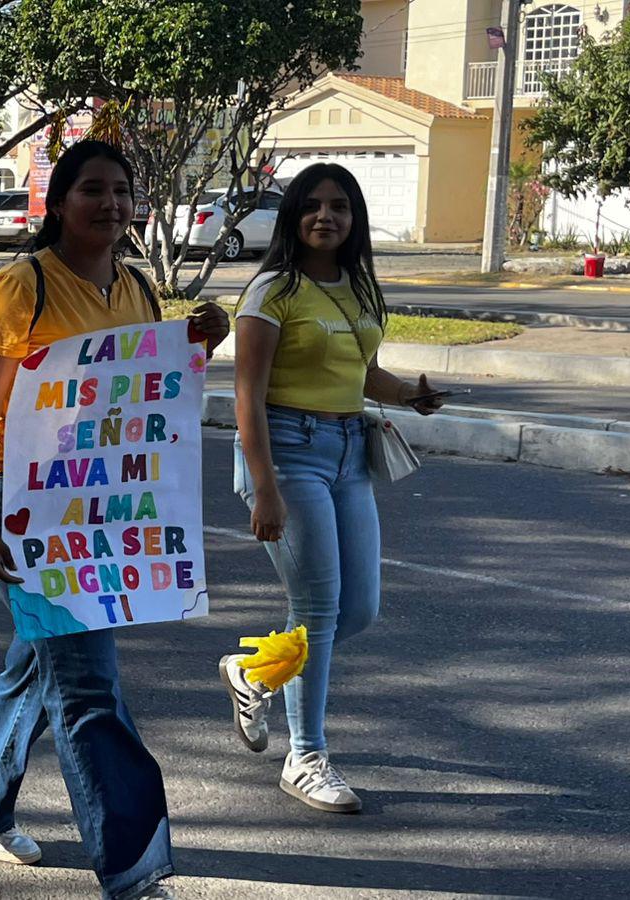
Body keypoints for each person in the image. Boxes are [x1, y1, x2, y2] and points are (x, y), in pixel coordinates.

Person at [0, 140, 228, 900]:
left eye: (122, 191)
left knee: (42, 661)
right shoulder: (19, 289)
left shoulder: (136, 287)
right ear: (60, 203)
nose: (111, 204)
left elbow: (144, 389)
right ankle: (133, 873)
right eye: (93, 189)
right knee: (88, 689)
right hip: (26, 507)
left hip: (101, 507)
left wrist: (197, 343)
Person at [220, 163, 444, 814]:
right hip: (287, 453)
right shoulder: (272, 290)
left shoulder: (360, 287)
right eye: (313, 205)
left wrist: (411, 395)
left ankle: (254, 671)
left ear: (355, 218)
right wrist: (265, 487)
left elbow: (364, 372)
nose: (326, 216)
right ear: (293, 216)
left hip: (350, 452)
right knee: (317, 610)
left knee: (359, 609)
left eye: (340, 206)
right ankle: (306, 758)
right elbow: (247, 395)